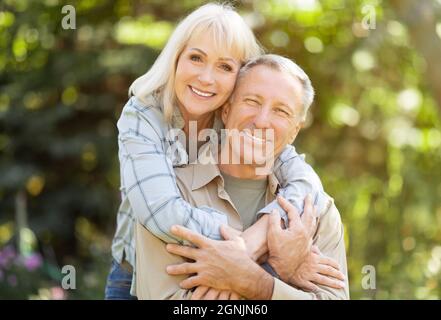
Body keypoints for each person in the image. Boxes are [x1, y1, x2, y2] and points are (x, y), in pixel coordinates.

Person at [106, 3, 326, 300]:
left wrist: (264, 230)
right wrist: (245, 244)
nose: (207, 78)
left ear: (240, 76)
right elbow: (161, 213)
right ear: (176, 58)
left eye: (225, 66)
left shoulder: (236, 114)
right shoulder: (143, 115)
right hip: (136, 275)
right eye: (196, 58)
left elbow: (304, 178)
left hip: (227, 265)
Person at [135, 55, 349, 300]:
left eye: (280, 111)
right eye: (252, 101)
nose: (261, 120)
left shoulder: (316, 212)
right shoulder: (168, 196)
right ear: (226, 110)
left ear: (294, 132)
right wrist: (278, 271)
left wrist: (255, 280)